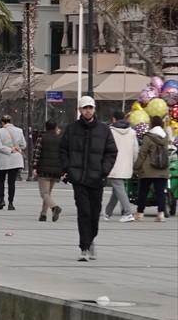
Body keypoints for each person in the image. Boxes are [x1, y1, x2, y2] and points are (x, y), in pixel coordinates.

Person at [59, 96, 117, 261]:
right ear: (80, 110)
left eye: (90, 108)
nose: (88, 111)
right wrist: (67, 168)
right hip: (79, 178)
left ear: (94, 109)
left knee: (94, 214)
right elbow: (62, 150)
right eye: (85, 108)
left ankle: (91, 240)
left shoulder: (103, 130)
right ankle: (84, 247)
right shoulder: (71, 129)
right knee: (83, 212)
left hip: (96, 178)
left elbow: (111, 152)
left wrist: (104, 170)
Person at [103, 109, 139, 222]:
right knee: (117, 189)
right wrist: (133, 163)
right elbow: (135, 151)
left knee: (119, 188)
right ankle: (108, 212)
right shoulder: (132, 132)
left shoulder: (110, 131)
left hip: (113, 164)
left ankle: (128, 213)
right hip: (126, 165)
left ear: (113, 119)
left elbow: (105, 148)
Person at [133, 116, 170, 223]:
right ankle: (161, 214)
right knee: (160, 192)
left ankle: (140, 213)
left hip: (148, 169)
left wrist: (136, 167)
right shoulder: (165, 137)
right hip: (162, 168)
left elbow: (142, 154)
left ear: (152, 124)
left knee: (143, 191)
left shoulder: (147, 137)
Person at [31, 119, 64, 222]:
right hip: (56, 171)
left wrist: (34, 166)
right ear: (55, 127)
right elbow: (63, 155)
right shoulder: (60, 139)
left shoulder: (42, 138)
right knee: (48, 193)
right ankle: (43, 214)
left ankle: (54, 208)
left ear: (45, 127)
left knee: (44, 193)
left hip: (44, 170)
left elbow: (37, 152)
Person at [0, 115, 27, 210]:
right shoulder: (19, 130)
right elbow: (24, 145)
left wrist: (8, 150)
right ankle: (11, 203)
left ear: (2, 122)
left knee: (0, 180)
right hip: (15, 159)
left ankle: (1, 200)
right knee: (11, 182)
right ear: (11, 121)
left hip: (3, 159)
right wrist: (15, 148)